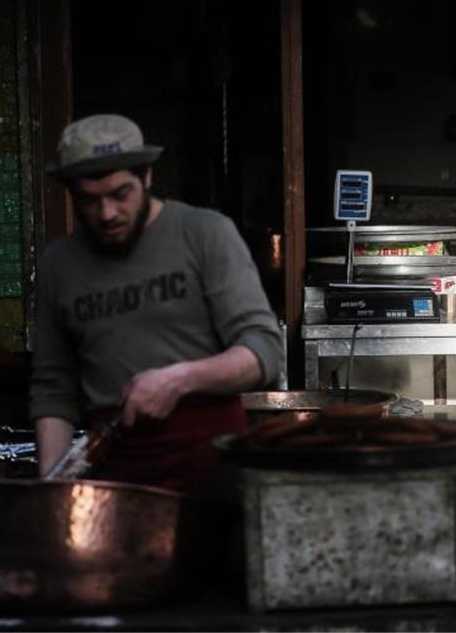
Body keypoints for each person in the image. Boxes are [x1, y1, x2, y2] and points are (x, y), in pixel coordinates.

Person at [29, 114, 283, 496]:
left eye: (120, 194)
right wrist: (51, 485)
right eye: (89, 200)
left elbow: (263, 352)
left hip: (210, 465)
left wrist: (178, 379)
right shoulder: (58, 265)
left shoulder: (205, 233)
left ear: (147, 176)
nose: (107, 213)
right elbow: (53, 387)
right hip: (113, 475)